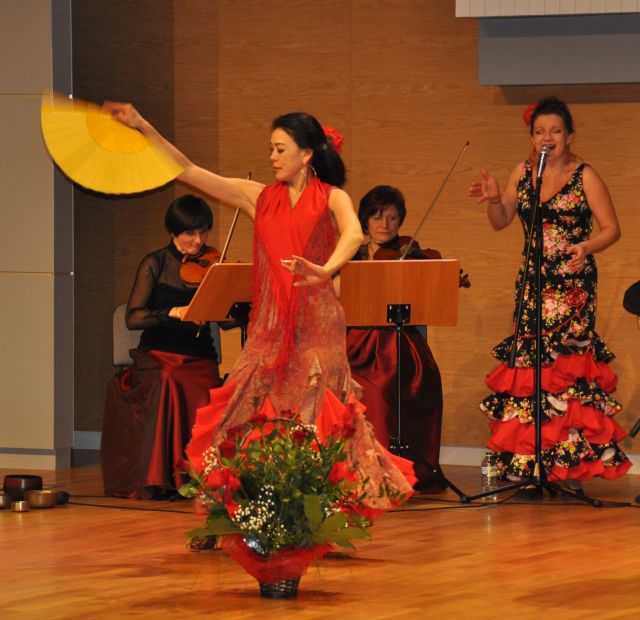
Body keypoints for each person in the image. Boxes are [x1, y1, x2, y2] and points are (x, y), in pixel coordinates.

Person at [105, 103, 415, 508]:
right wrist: (143, 125)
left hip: (317, 323)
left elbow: (354, 235)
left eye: (280, 149)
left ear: (306, 153)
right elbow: (186, 169)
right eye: (271, 148)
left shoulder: (332, 196)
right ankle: (250, 502)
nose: (272, 157)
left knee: (315, 415)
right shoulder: (259, 197)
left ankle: (316, 506)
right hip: (271, 325)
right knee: (245, 410)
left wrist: (324, 270)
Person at [468, 96, 631, 497]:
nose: (547, 137)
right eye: (540, 131)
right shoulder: (523, 173)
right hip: (533, 284)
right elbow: (501, 221)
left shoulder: (585, 175)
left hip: (573, 286)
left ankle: (567, 468)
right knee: (531, 373)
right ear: (531, 138)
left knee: (566, 374)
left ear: (570, 136)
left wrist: (586, 247)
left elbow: (612, 228)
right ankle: (531, 465)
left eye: (556, 130)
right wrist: (494, 199)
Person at [101, 195, 223, 499]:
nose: (198, 241)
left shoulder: (213, 266)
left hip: (200, 359)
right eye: (190, 233)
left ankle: (200, 478)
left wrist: (235, 302)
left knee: (206, 385)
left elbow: (229, 322)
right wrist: (172, 313)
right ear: (173, 232)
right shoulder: (153, 264)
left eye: (203, 232)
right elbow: (132, 318)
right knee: (169, 379)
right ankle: (164, 478)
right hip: (158, 357)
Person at [346, 185, 446, 493]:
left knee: (418, 383)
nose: (385, 225)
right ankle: (364, 470)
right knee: (366, 392)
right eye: (377, 217)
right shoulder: (350, 255)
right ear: (365, 221)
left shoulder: (410, 254)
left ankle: (401, 469)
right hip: (356, 344)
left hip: (400, 344)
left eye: (392, 218)